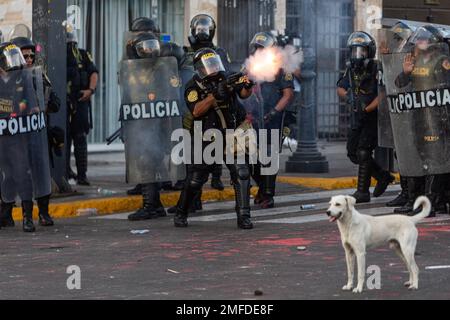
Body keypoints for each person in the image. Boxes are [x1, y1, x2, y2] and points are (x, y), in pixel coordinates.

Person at [174, 48, 255, 229]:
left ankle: (244, 216)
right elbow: (196, 111)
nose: (213, 67)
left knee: (241, 173)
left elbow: (243, 93)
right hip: (207, 138)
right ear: (199, 68)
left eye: (214, 63)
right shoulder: (193, 86)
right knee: (196, 179)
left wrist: (247, 84)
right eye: (208, 64)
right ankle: (181, 212)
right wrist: (215, 95)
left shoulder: (226, 77)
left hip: (231, 133)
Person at [1, 36, 61, 227]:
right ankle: (7, 213)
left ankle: (42, 212)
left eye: (30, 57)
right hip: (12, 137)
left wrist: (42, 103)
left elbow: (55, 102)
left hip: (34, 135)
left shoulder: (37, 76)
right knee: (10, 175)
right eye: (23, 56)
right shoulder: (6, 80)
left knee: (39, 172)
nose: (28, 60)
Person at [394, 25, 450, 216]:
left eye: (423, 40)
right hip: (419, 117)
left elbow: (446, 90)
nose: (419, 43)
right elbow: (399, 85)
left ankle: (431, 203)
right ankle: (421, 200)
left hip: (437, 117)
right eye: (417, 40)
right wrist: (406, 72)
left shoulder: (442, 61)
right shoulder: (414, 61)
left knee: (436, 159)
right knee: (422, 157)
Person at [337, 31, 394, 204]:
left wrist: (367, 108)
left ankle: (362, 192)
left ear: (369, 51)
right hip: (357, 116)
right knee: (353, 152)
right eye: (354, 51)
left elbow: (383, 93)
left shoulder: (377, 68)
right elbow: (340, 87)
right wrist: (349, 98)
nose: (358, 55)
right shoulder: (351, 69)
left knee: (363, 151)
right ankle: (383, 176)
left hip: (372, 117)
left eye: (361, 51)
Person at [248, 32, 295, 209]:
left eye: (263, 49)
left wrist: (273, 113)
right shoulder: (252, 67)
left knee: (269, 156)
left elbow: (288, 95)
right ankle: (261, 187)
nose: (259, 51)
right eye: (257, 48)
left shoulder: (282, 68)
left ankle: (268, 194)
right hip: (254, 116)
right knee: (251, 157)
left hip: (275, 118)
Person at [66, 25, 98, 186]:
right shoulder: (57, 54)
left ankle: (82, 174)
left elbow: (93, 72)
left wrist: (90, 90)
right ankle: (64, 172)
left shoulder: (83, 54)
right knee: (63, 140)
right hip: (64, 103)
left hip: (80, 101)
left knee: (80, 138)